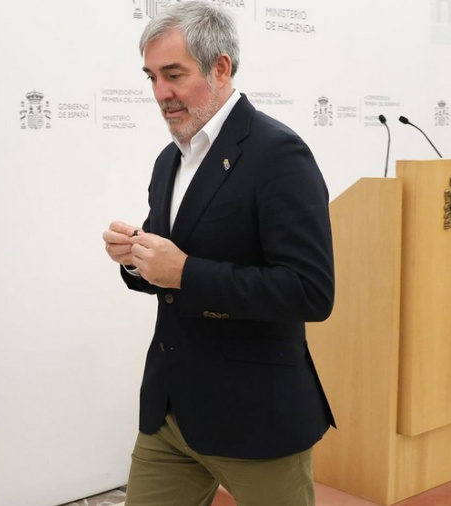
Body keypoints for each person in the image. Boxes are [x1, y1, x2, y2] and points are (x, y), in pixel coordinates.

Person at [102, 3, 335, 505]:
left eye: (174, 75)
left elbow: (310, 292)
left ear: (221, 68)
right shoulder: (169, 160)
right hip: (169, 415)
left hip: (257, 418)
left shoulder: (279, 154)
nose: (161, 93)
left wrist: (185, 273)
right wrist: (136, 258)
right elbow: (172, 267)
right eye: (151, 77)